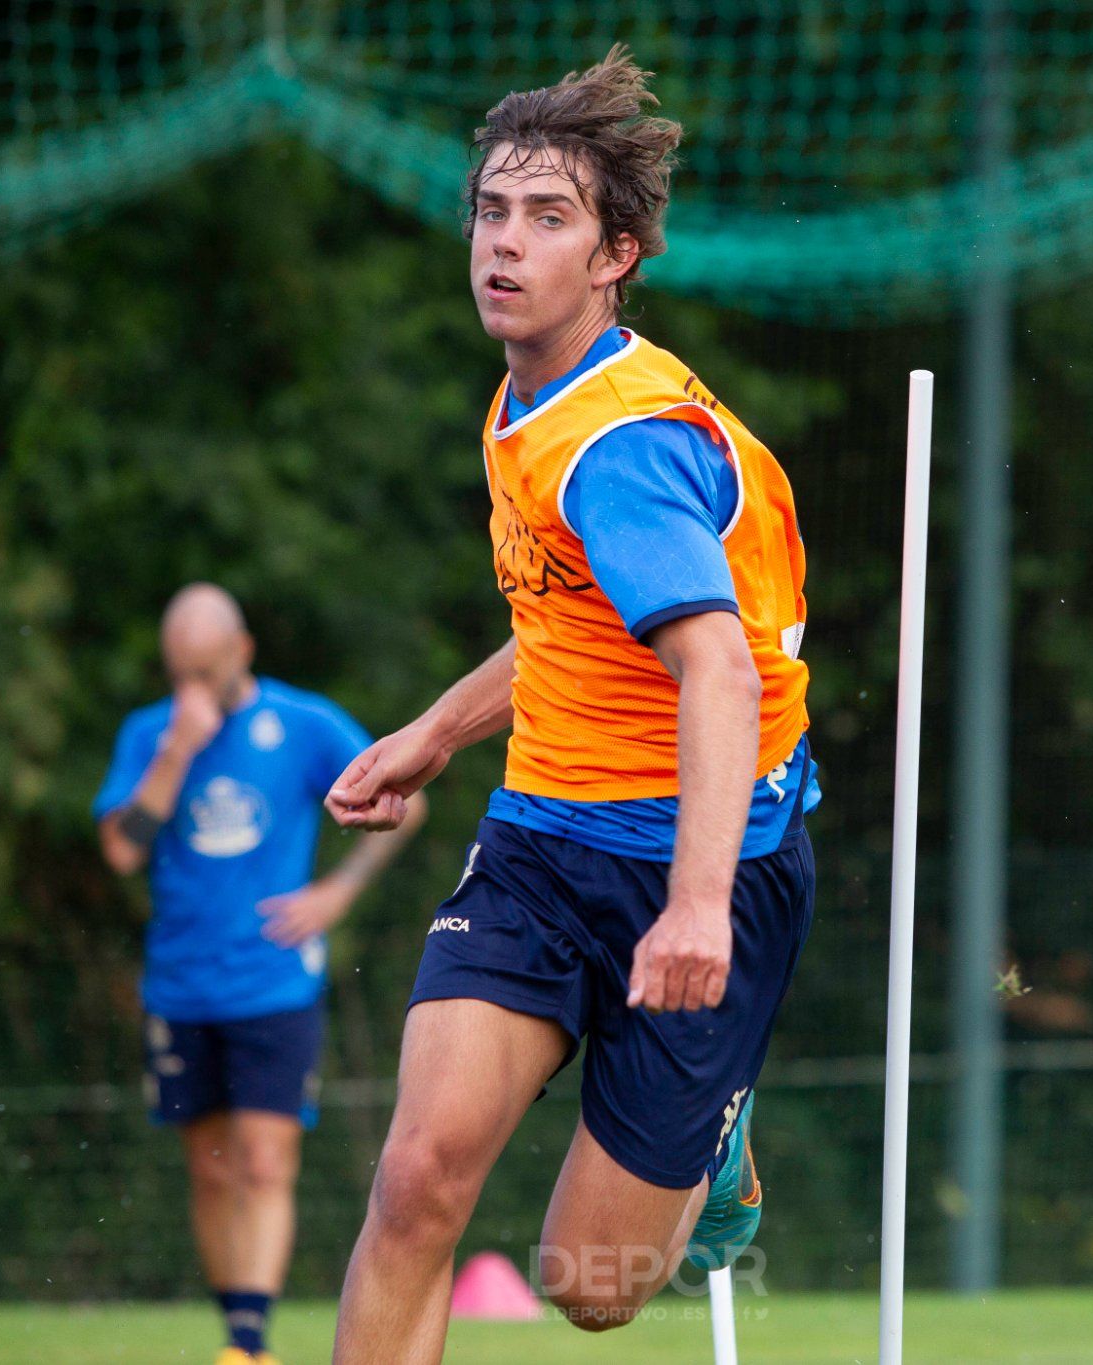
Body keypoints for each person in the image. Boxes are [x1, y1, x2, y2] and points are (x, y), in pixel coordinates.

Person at [325, 46, 819, 1359]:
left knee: (586, 1283)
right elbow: (568, 627)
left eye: (548, 218)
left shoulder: (625, 453)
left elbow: (711, 665)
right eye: (493, 209)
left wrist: (699, 904)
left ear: (617, 256)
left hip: (704, 868)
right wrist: (433, 736)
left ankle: (717, 1139)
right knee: (418, 1182)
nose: (505, 242)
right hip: (545, 841)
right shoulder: (523, 398)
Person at [94, 583, 425, 1365]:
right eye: (179, 674)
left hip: (275, 984)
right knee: (210, 1171)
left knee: (267, 1159)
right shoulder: (149, 735)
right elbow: (121, 848)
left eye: (205, 672)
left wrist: (337, 891)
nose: (192, 691)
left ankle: (248, 1344)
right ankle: (236, 1328)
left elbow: (402, 800)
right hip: (180, 985)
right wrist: (178, 749)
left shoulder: (303, 724)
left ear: (241, 651)